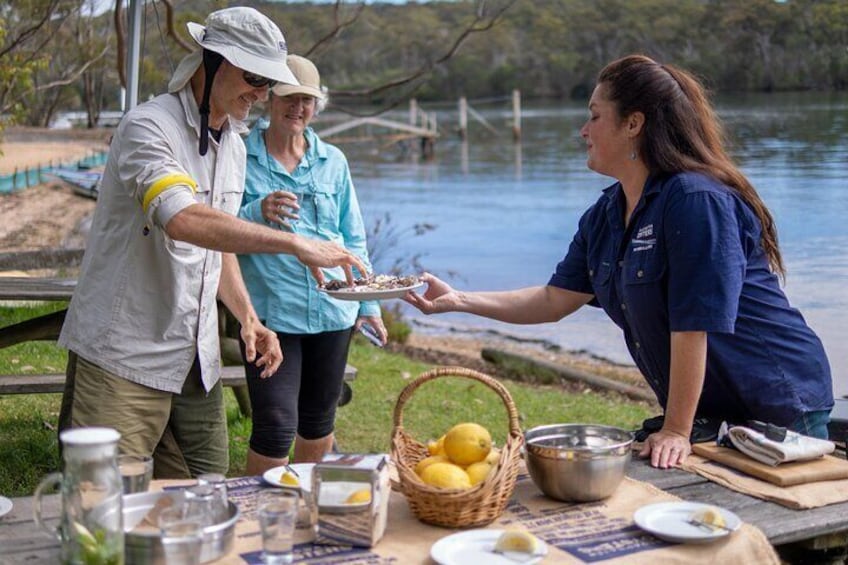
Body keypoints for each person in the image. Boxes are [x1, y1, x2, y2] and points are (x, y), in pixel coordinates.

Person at [404, 54, 833, 470]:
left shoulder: (696, 201)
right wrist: (458, 299)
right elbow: (554, 299)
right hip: (713, 413)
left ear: (633, 124)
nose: (582, 130)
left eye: (594, 116)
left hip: (777, 405)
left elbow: (693, 324)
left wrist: (676, 430)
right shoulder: (606, 213)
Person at [57, 7, 367, 479]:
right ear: (213, 61)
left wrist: (248, 317)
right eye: (253, 78)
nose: (261, 94)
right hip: (125, 353)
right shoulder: (148, 127)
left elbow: (217, 243)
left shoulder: (235, 145)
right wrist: (295, 245)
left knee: (207, 490)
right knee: (105, 500)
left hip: (194, 357)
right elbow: (181, 219)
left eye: (268, 83)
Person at [237, 55, 386, 474]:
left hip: (333, 311)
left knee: (319, 419)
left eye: (307, 99)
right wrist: (255, 210)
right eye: (289, 97)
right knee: (275, 424)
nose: (298, 108)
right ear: (270, 97)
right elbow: (215, 229)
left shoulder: (333, 161)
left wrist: (368, 304)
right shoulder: (239, 156)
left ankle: (307, 508)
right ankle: (259, 513)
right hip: (271, 315)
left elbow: (353, 238)